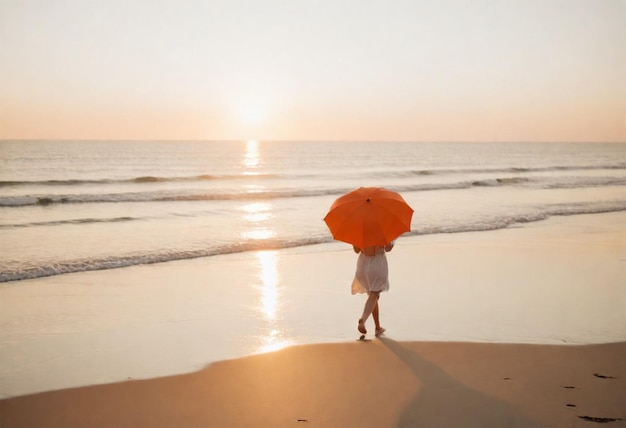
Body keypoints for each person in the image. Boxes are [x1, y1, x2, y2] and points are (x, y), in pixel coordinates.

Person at [351, 240, 394, 336]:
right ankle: (363, 319)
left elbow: (356, 250)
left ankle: (377, 327)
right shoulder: (382, 229)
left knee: (373, 297)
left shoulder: (360, 231)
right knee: (374, 294)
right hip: (377, 264)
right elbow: (388, 248)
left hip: (363, 265)